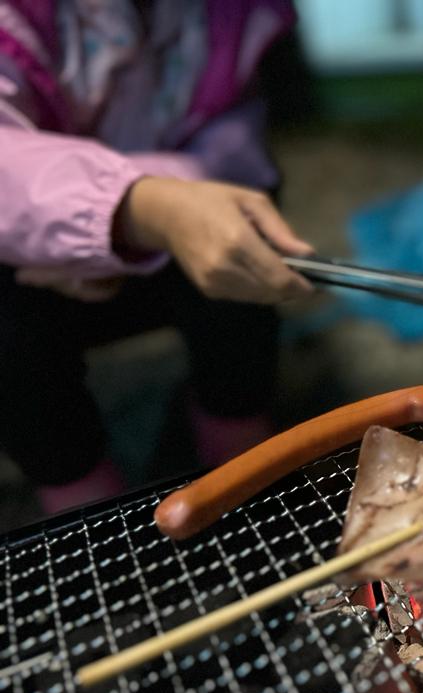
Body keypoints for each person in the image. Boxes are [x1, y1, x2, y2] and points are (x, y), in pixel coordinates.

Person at [0, 0, 315, 514]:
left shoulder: (216, 13)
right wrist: (131, 208)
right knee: (17, 357)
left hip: (165, 218)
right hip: (26, 256)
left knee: (245, 249)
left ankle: (233, 428)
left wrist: (154, 211)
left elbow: (229, 118)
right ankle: (77, 486)